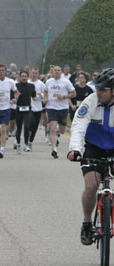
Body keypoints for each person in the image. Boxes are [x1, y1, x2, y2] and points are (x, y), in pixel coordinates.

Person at [67, 68, 114, 245]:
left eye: (103, 89)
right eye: (97, 88)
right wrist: (75, 150)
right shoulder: (91, 100)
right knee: (91, 185)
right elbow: (78, 125)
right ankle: (87, 222)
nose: (99, 92)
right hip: (95, 148)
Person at [43, 65, 76, 158]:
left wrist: (64, 97)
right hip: (52, 108)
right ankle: (54, 149)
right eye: (55, 70)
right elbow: (45, 91)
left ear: (61, 72)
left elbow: (74, 93)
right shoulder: (49, 82)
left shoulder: (66, 82)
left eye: (58, 70)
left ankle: (57, 134)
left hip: (63, 108)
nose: (57, 72)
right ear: (53, 72)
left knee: (62, 131)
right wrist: (45, 98)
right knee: (52, 128)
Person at [14, 71, 36, 153]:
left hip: (28, 109)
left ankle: (26, 144)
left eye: (25, 76)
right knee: (19, 127)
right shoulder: (16, 86)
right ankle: (18, 144)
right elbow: (13, 95)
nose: (24, 78)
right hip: (19, 109)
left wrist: (35, 98)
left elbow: (33, 94)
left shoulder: (31, 86)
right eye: (22, 76)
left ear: (27, 77)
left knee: (27, 126)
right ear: (19, 77)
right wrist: (15, 98)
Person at [28, 67, 45, 150]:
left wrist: (41, 95)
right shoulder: (27, 82)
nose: (34, 74)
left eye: (35, 73)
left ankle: (30, 141)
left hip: (38, 108)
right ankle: (27, 138)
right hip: (28, 107)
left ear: (38, 74)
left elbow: (45, 95)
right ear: (30, 73)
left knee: (35, 126)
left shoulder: (41, 84)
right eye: (33, 73)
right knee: (30, 123)